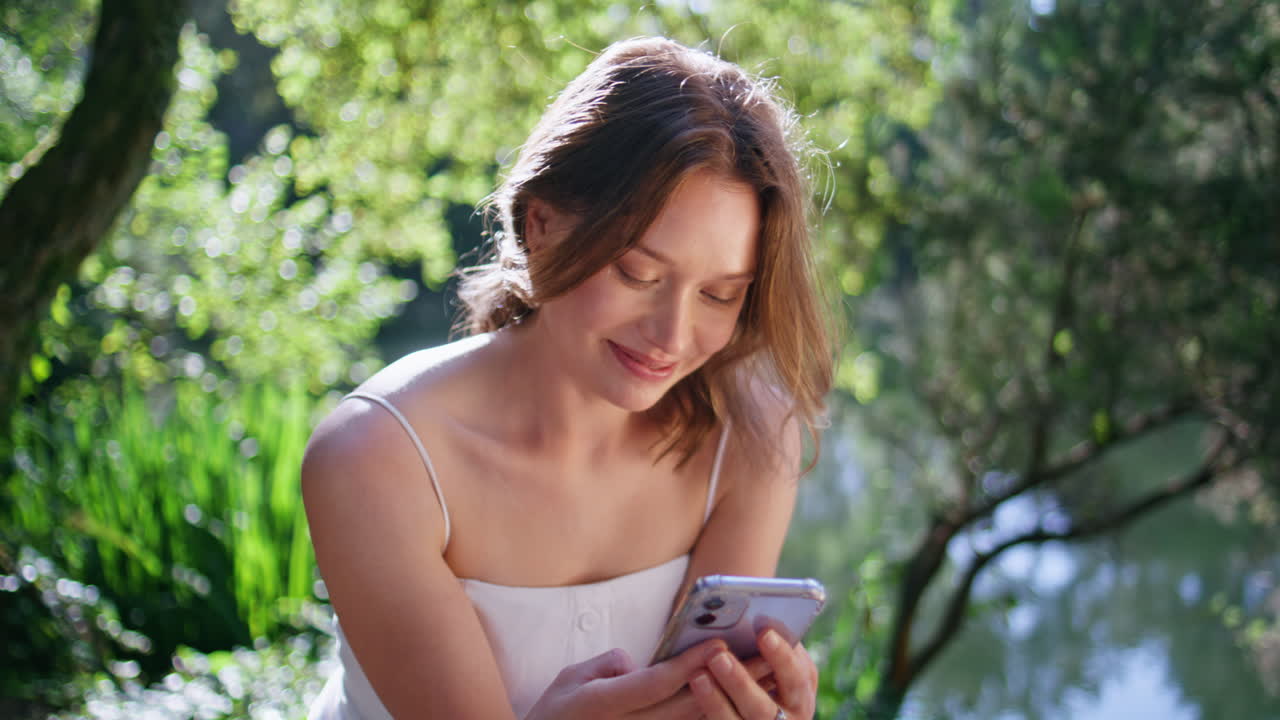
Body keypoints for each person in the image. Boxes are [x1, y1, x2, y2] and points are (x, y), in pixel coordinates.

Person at [303, 36, 834, 720]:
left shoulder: (751, 436)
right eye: (638, 273)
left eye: (719, 295)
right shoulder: (377, 458)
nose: (671, 337)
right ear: (543, 225)